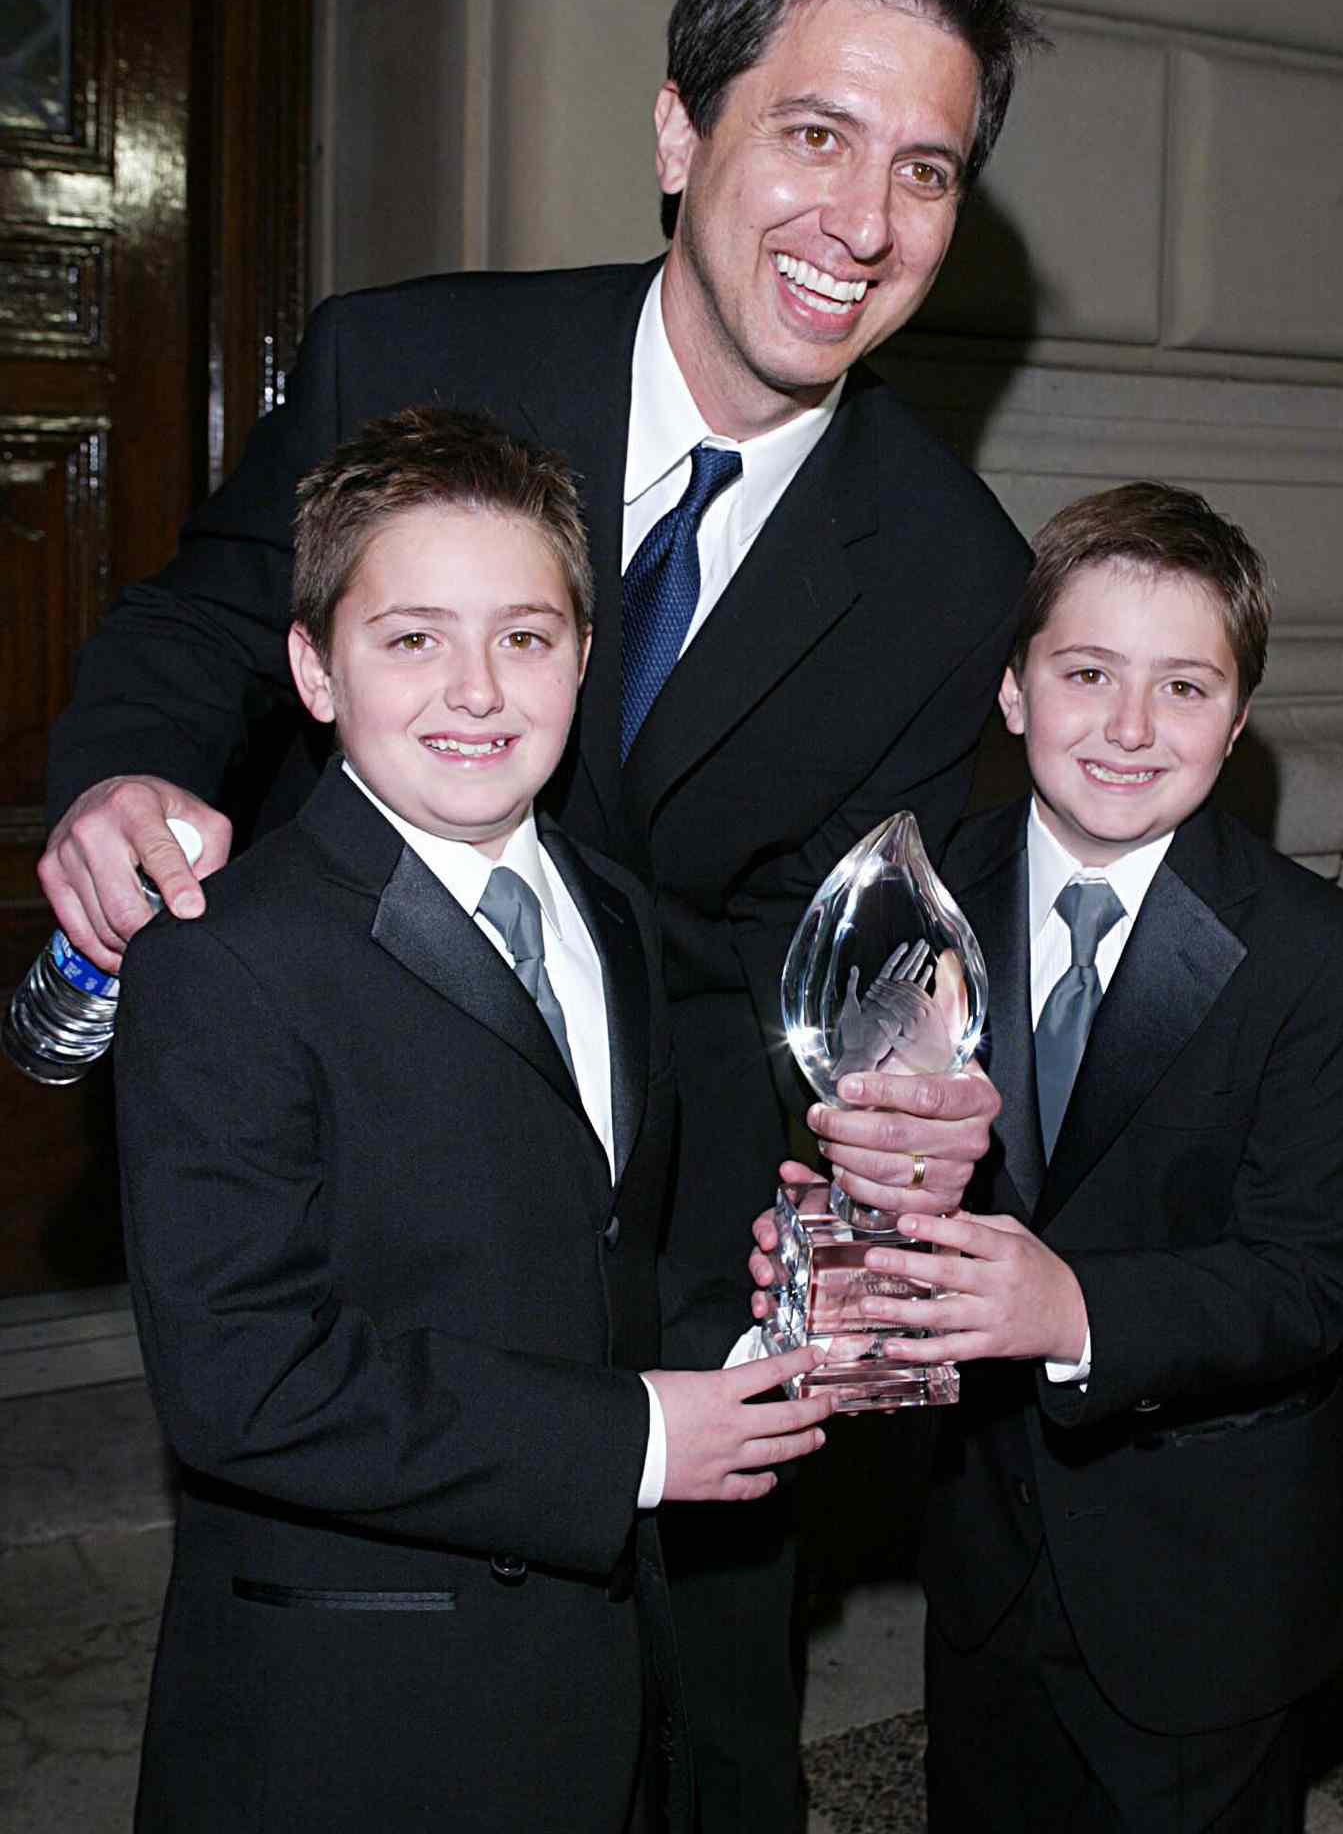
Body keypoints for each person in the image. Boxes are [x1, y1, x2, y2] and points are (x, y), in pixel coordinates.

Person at [42, 0, 1037, 1827]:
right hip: (381, 1247)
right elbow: (204, 625)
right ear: (683, 132)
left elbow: (857, 968)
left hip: (683, 1289)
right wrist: (117, 781)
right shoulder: (404, 357)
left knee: (700, 1755)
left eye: (926, 168)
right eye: (815, 134)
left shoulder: (953, 572)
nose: (862, 219)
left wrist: (895, 1113)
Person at [115, 407, 840, 1834]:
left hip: (597, 1671)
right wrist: (631, 1445)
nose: (477, 691)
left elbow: (606, 1248)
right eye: (410, 640)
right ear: (314, 670)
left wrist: (778, 1312)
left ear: (587, 655)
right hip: (360, 1710)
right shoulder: (224, 959)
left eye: (524, 636)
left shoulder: (620, 918)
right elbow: (244, 1378)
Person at [755, 485, 1343, 1831]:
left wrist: (1075, 1311)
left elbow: (1310, 1282)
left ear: (1237, 717)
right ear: (1011, 689)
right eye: (1087, 672)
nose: (1129, 727)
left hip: (1207, 1580)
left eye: (1184, 685)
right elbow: (881, 1172)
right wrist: (839, 1245)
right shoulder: (923, 908)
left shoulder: (1313, 954)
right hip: (987, 1561)